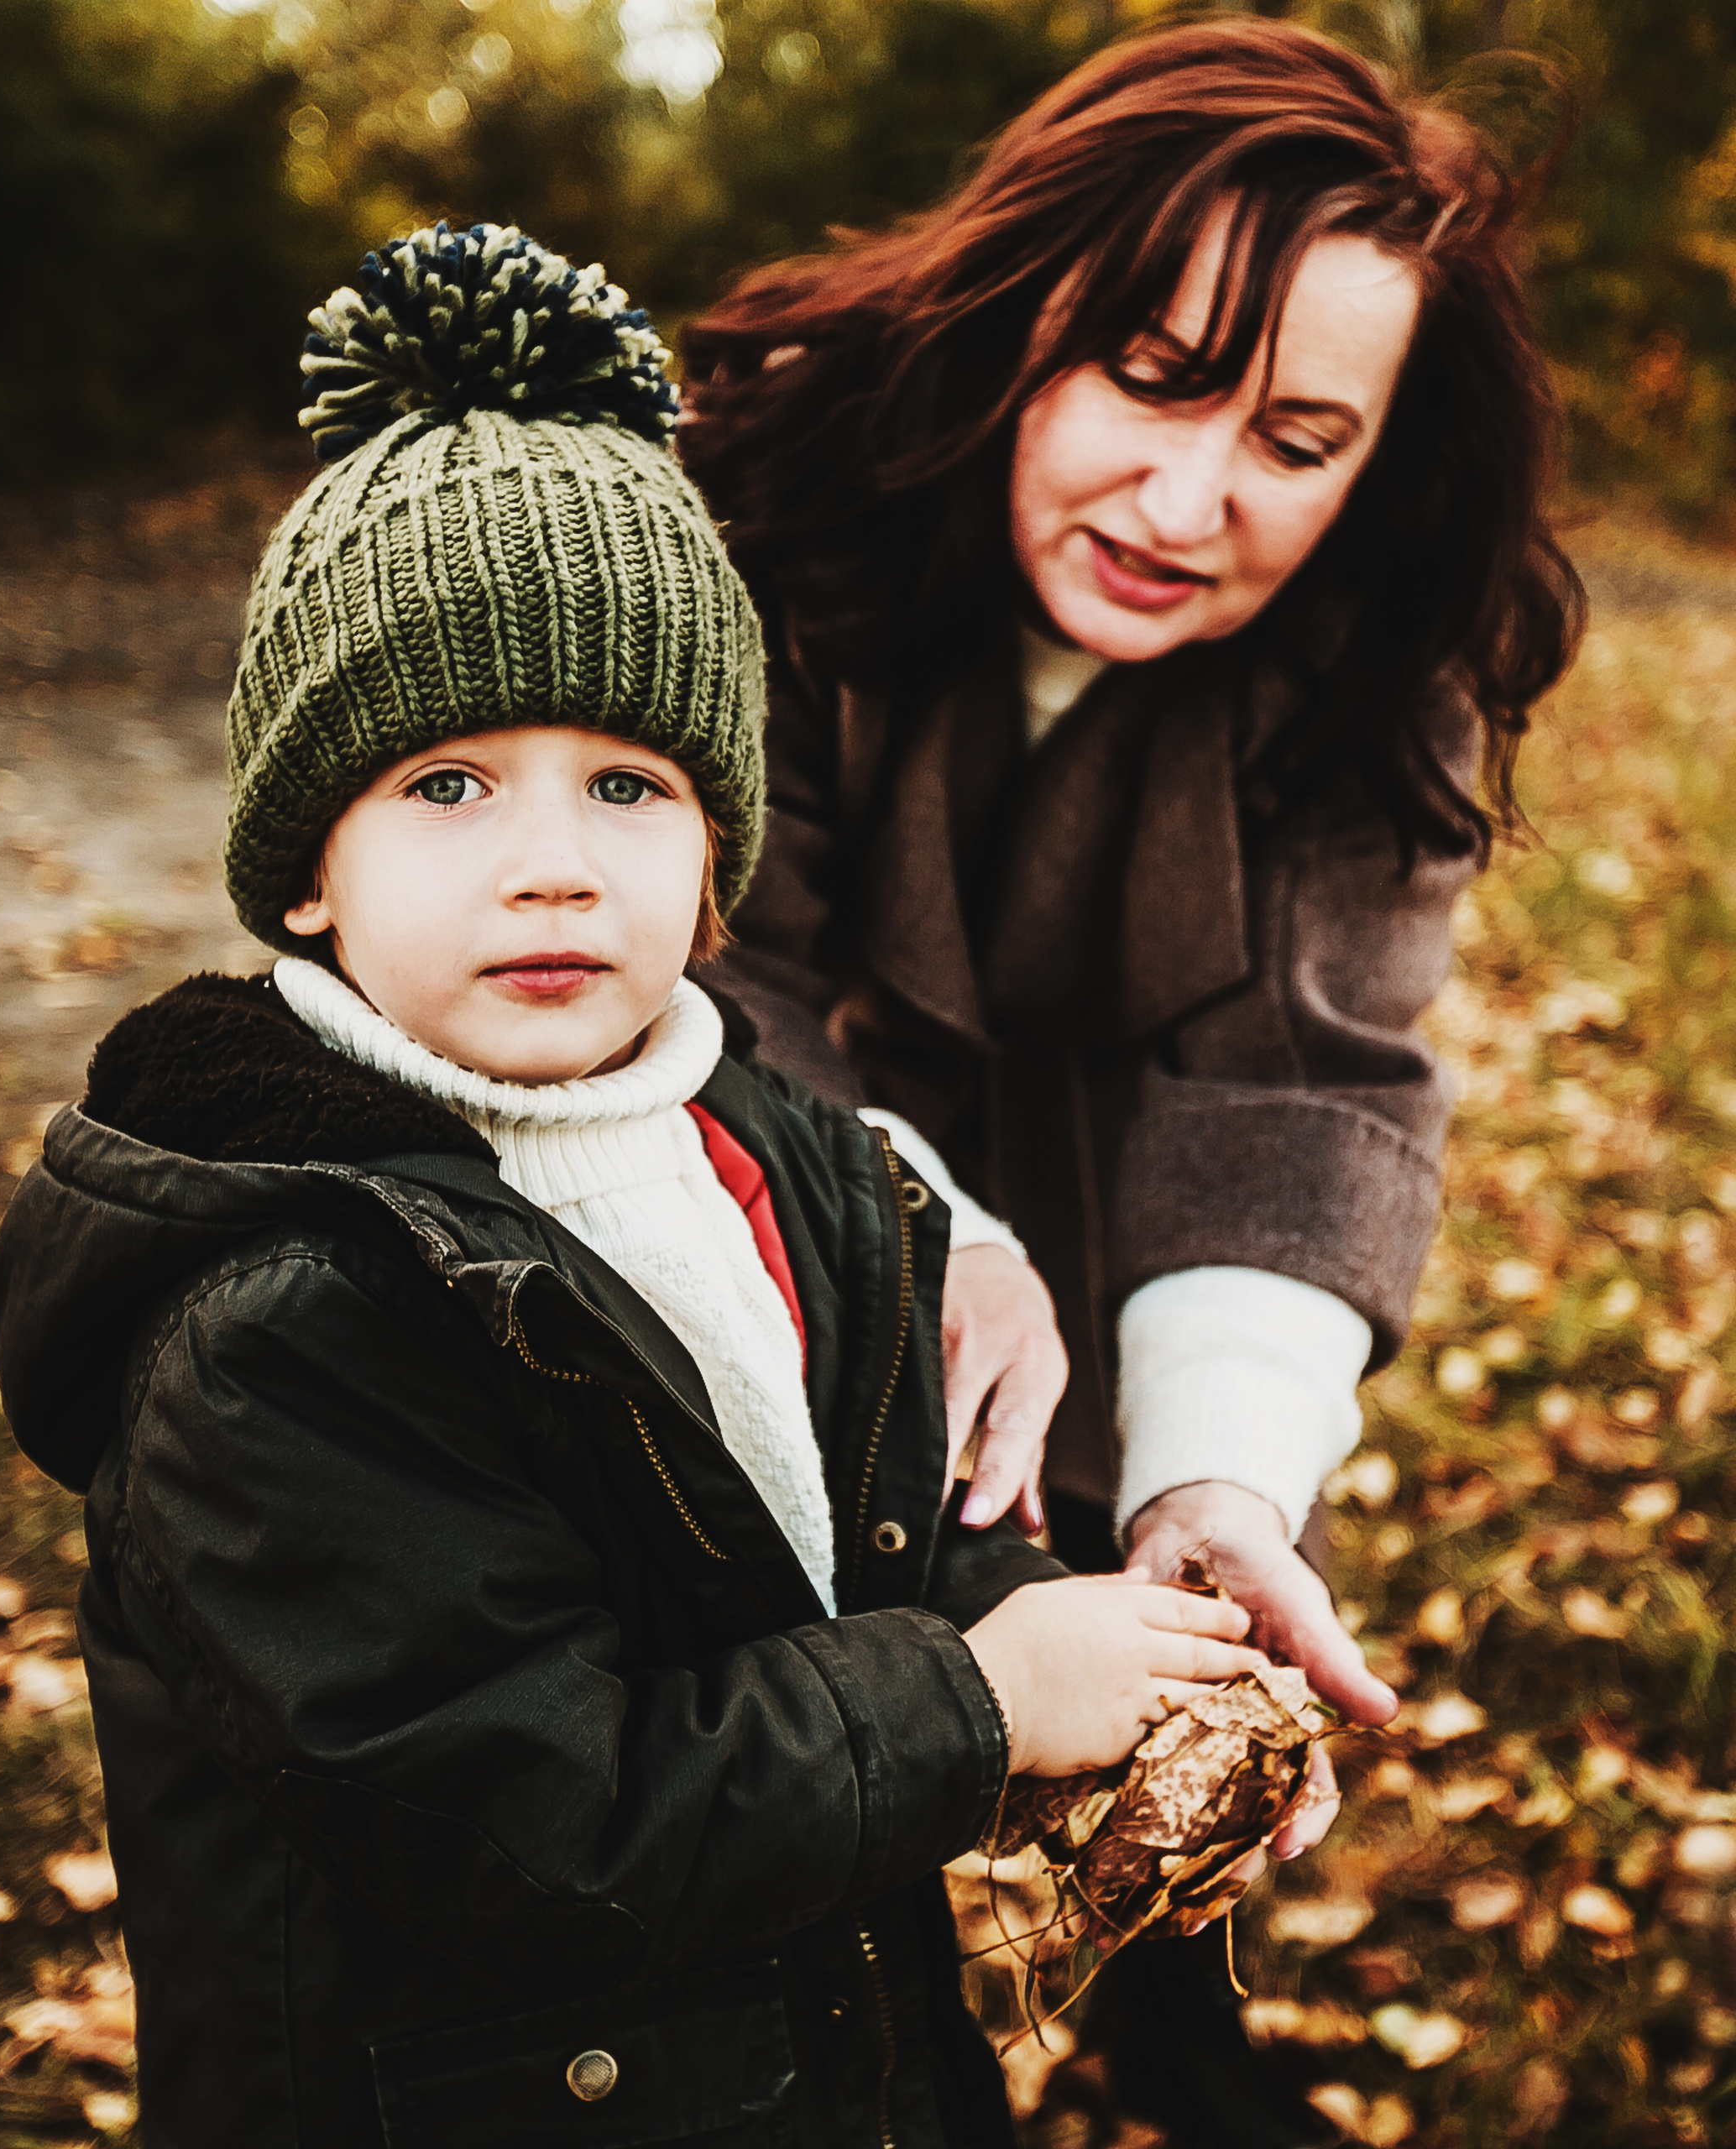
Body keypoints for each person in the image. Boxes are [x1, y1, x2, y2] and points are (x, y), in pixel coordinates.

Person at [0, 224, 1278, 2149]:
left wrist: (1110, 1659)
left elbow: (864, 1553)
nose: (551, 864)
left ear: (718, 847)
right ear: (304, 867)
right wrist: (979, 1707)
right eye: (445, 783)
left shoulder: (785, 1161)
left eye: (627, 785)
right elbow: (538, 1817)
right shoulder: (288, 1311)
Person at [677, 19, 1584, 2146]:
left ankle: (1171, 2007)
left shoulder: (1383, 667)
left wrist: (1216, 1482)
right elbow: (724, 980)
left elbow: (1303, 1085)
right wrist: (930, 1237)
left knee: (1153, 1566)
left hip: (1128, 1216)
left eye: (1294, 433)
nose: (1189, 501)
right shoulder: (755, 523)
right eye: (1151, 377)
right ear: (1025, 309)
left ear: (1377, 459)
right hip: (763, 1196)